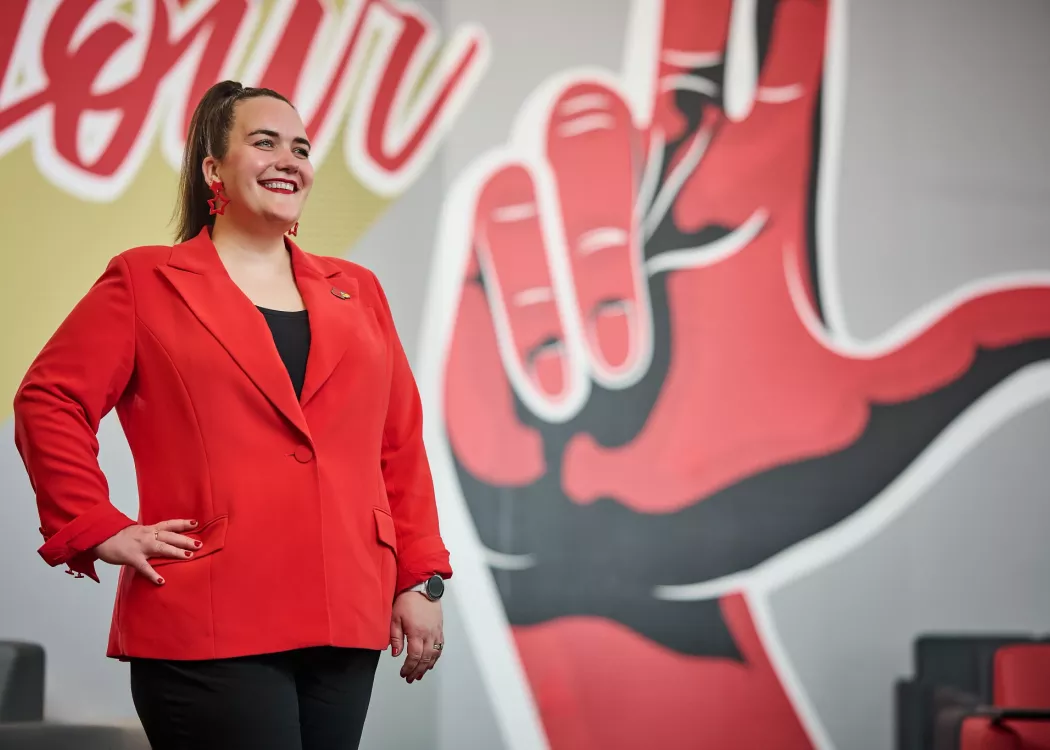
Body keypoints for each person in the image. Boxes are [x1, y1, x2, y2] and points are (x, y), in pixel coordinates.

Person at [11, 80, 451, 750]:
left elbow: (400, 445)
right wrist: (93, 524)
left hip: (345, 616)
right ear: (213, 168)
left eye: (301, 147)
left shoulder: (357, 291)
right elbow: (50, 399)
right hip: (205, 617)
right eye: (265, 142)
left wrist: (420, 579)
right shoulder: (145, 281)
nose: (290, 159)